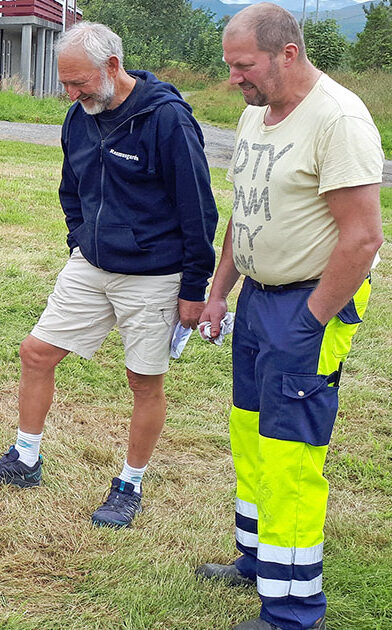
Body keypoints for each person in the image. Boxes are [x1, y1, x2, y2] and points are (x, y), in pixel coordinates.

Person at [0, 22, 218, 529]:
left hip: (154, 274)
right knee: (37, 352)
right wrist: (80, 237)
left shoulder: (165, 119)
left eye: (79, 83)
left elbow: (199, 210)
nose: (72, 94)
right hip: (91, 264)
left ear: (113, 67)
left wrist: (194, 289)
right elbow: (71, 188)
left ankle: (129, 484)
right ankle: (26, 459)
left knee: (143, 381)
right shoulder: (77, 117)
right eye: (65, 84)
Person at [194, 5, 384, 630]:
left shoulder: (338, 120)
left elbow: (361, 239)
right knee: (250, 432)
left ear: (288, 53)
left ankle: (294, 606)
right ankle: (256, 559)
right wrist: (220, 291)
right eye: (230, 66)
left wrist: (311, 319)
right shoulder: (257, 115)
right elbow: (244, 213)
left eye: (244, 66)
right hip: (256, 302)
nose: (235, 79)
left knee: (291, 452)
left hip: (306, 305)